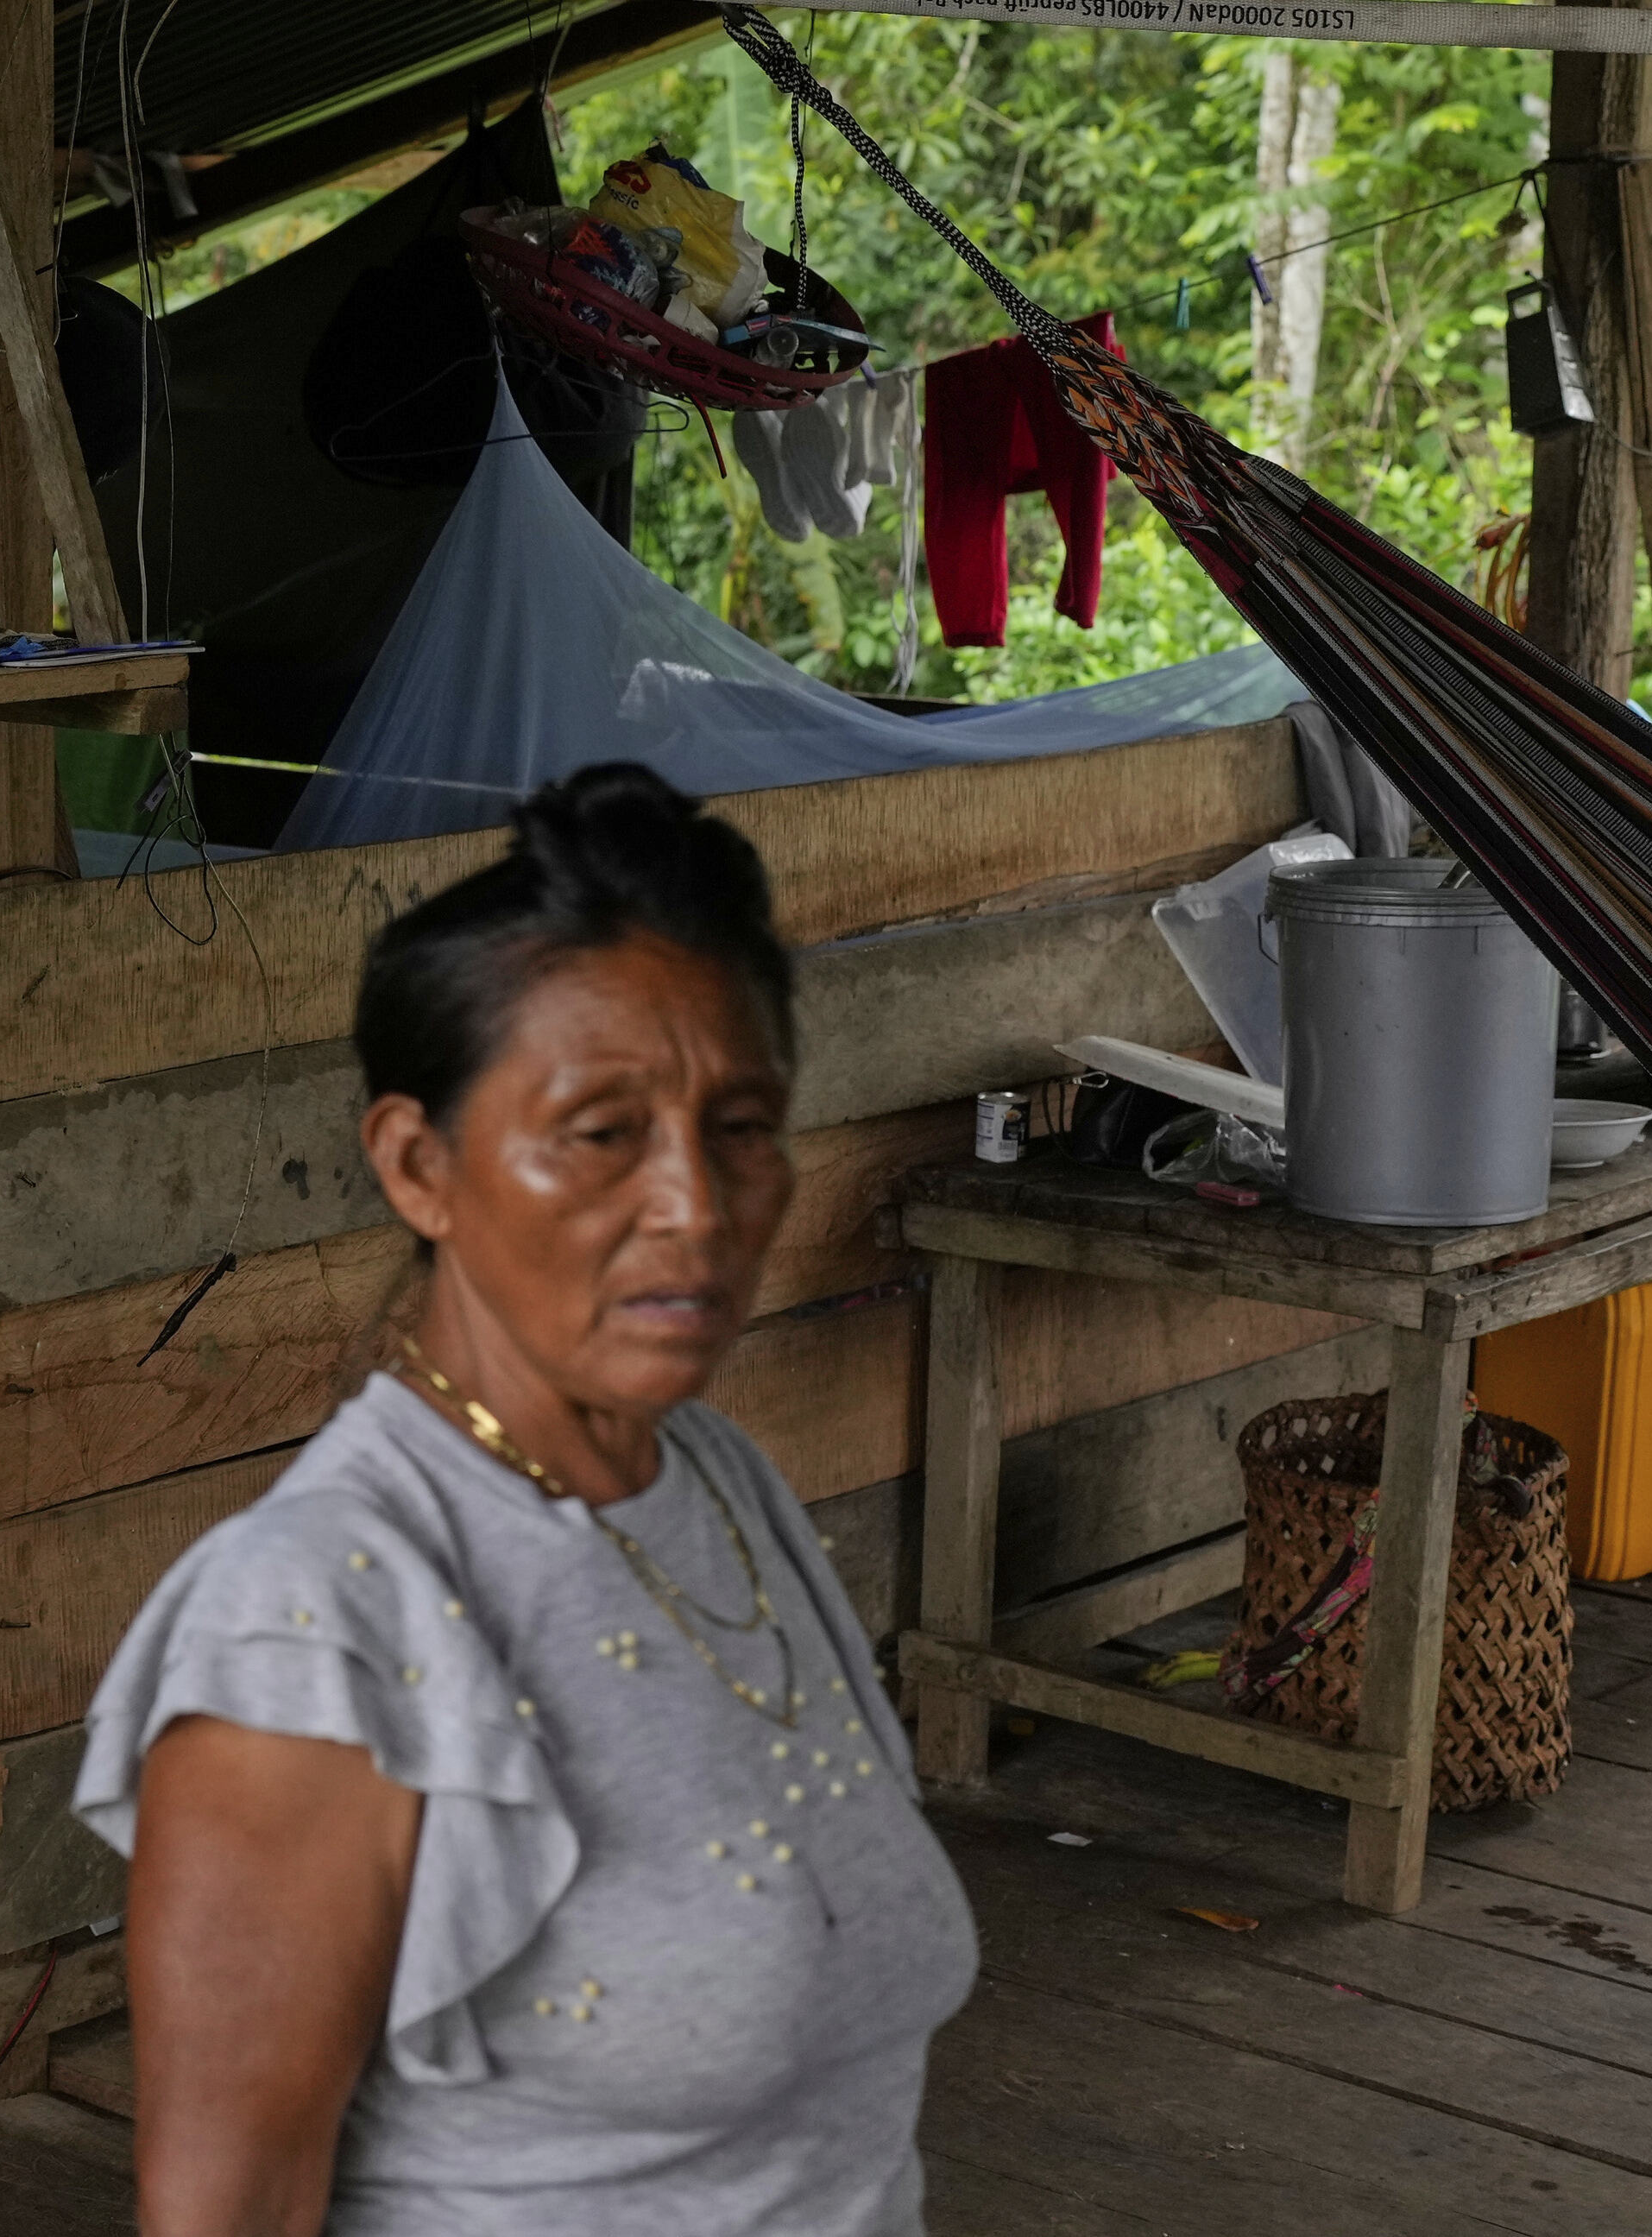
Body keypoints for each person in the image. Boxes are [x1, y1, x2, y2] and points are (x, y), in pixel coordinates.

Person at [77, 762, 977, 2237]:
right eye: (600, 1130)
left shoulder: (712, 1478)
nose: (692, 1203)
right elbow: (225, 2207)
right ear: (418, 1164)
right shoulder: (313, 1633)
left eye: (740, 1124)